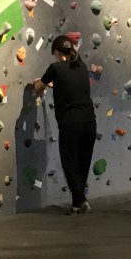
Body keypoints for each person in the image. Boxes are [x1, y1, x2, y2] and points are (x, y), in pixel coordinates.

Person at [32, 34, 97, 214]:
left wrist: (36, 83)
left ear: (57, 53)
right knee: (82, 165)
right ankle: (78, 204)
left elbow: (38, 87)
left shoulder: (55, 68)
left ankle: (81, 200)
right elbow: (69, 84)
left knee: (69, 163)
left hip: (71, 123)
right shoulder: (81, 67)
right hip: (89, 122)